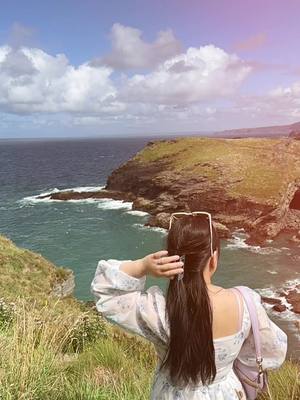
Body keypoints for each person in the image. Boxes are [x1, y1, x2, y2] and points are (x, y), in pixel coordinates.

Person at [90, 211, 287, 399]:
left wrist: (142, 266)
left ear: (171, 257)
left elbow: (104, 290)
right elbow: (272, 351)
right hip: (226, 392)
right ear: (214, 259)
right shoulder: (246, 302)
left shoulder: (159, 311)